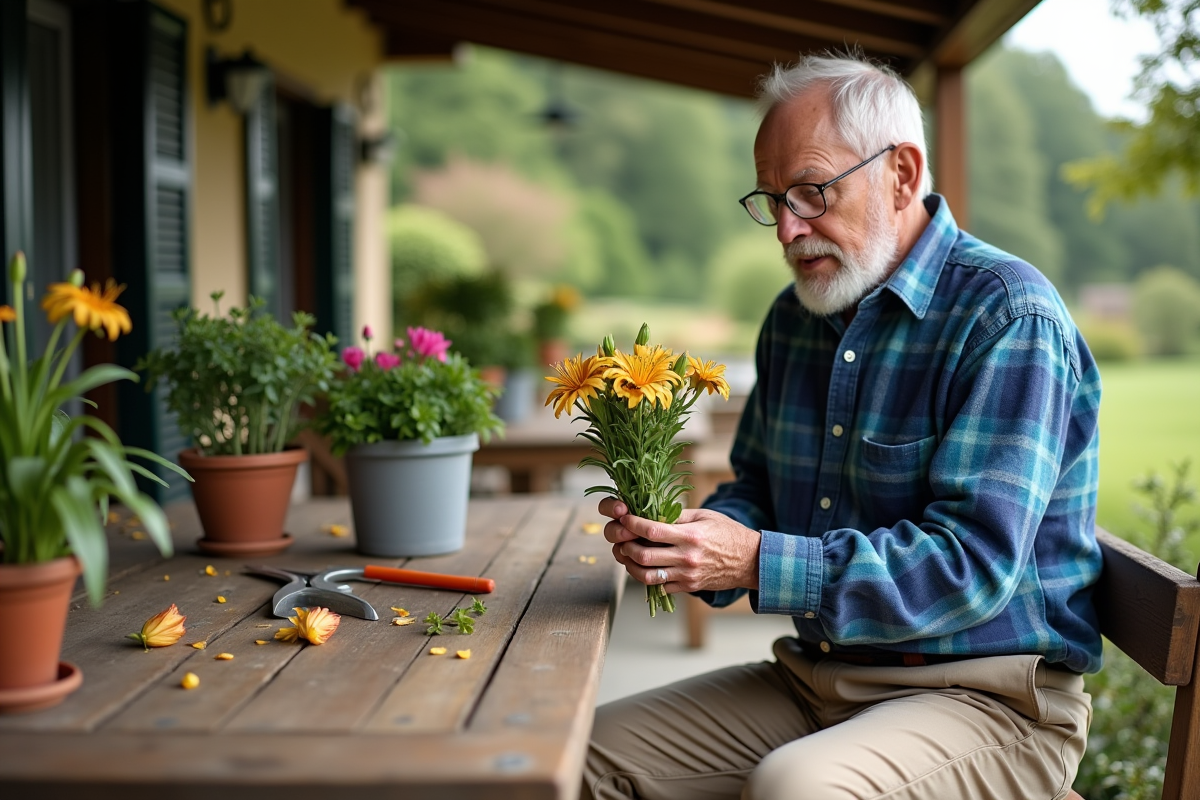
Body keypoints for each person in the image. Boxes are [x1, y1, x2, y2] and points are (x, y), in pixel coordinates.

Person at [583, 52, 1102, 800]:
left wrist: (756, 561)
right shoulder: (795, 319)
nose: (787, 230)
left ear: (900, 173)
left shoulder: (1008, 316)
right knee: (582, 756)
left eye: (811, 192)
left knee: (799, 789)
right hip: (818, 680)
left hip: (994, 702)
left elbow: (974, 565)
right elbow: (757, 487)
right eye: (771, 199)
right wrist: (686, 540)